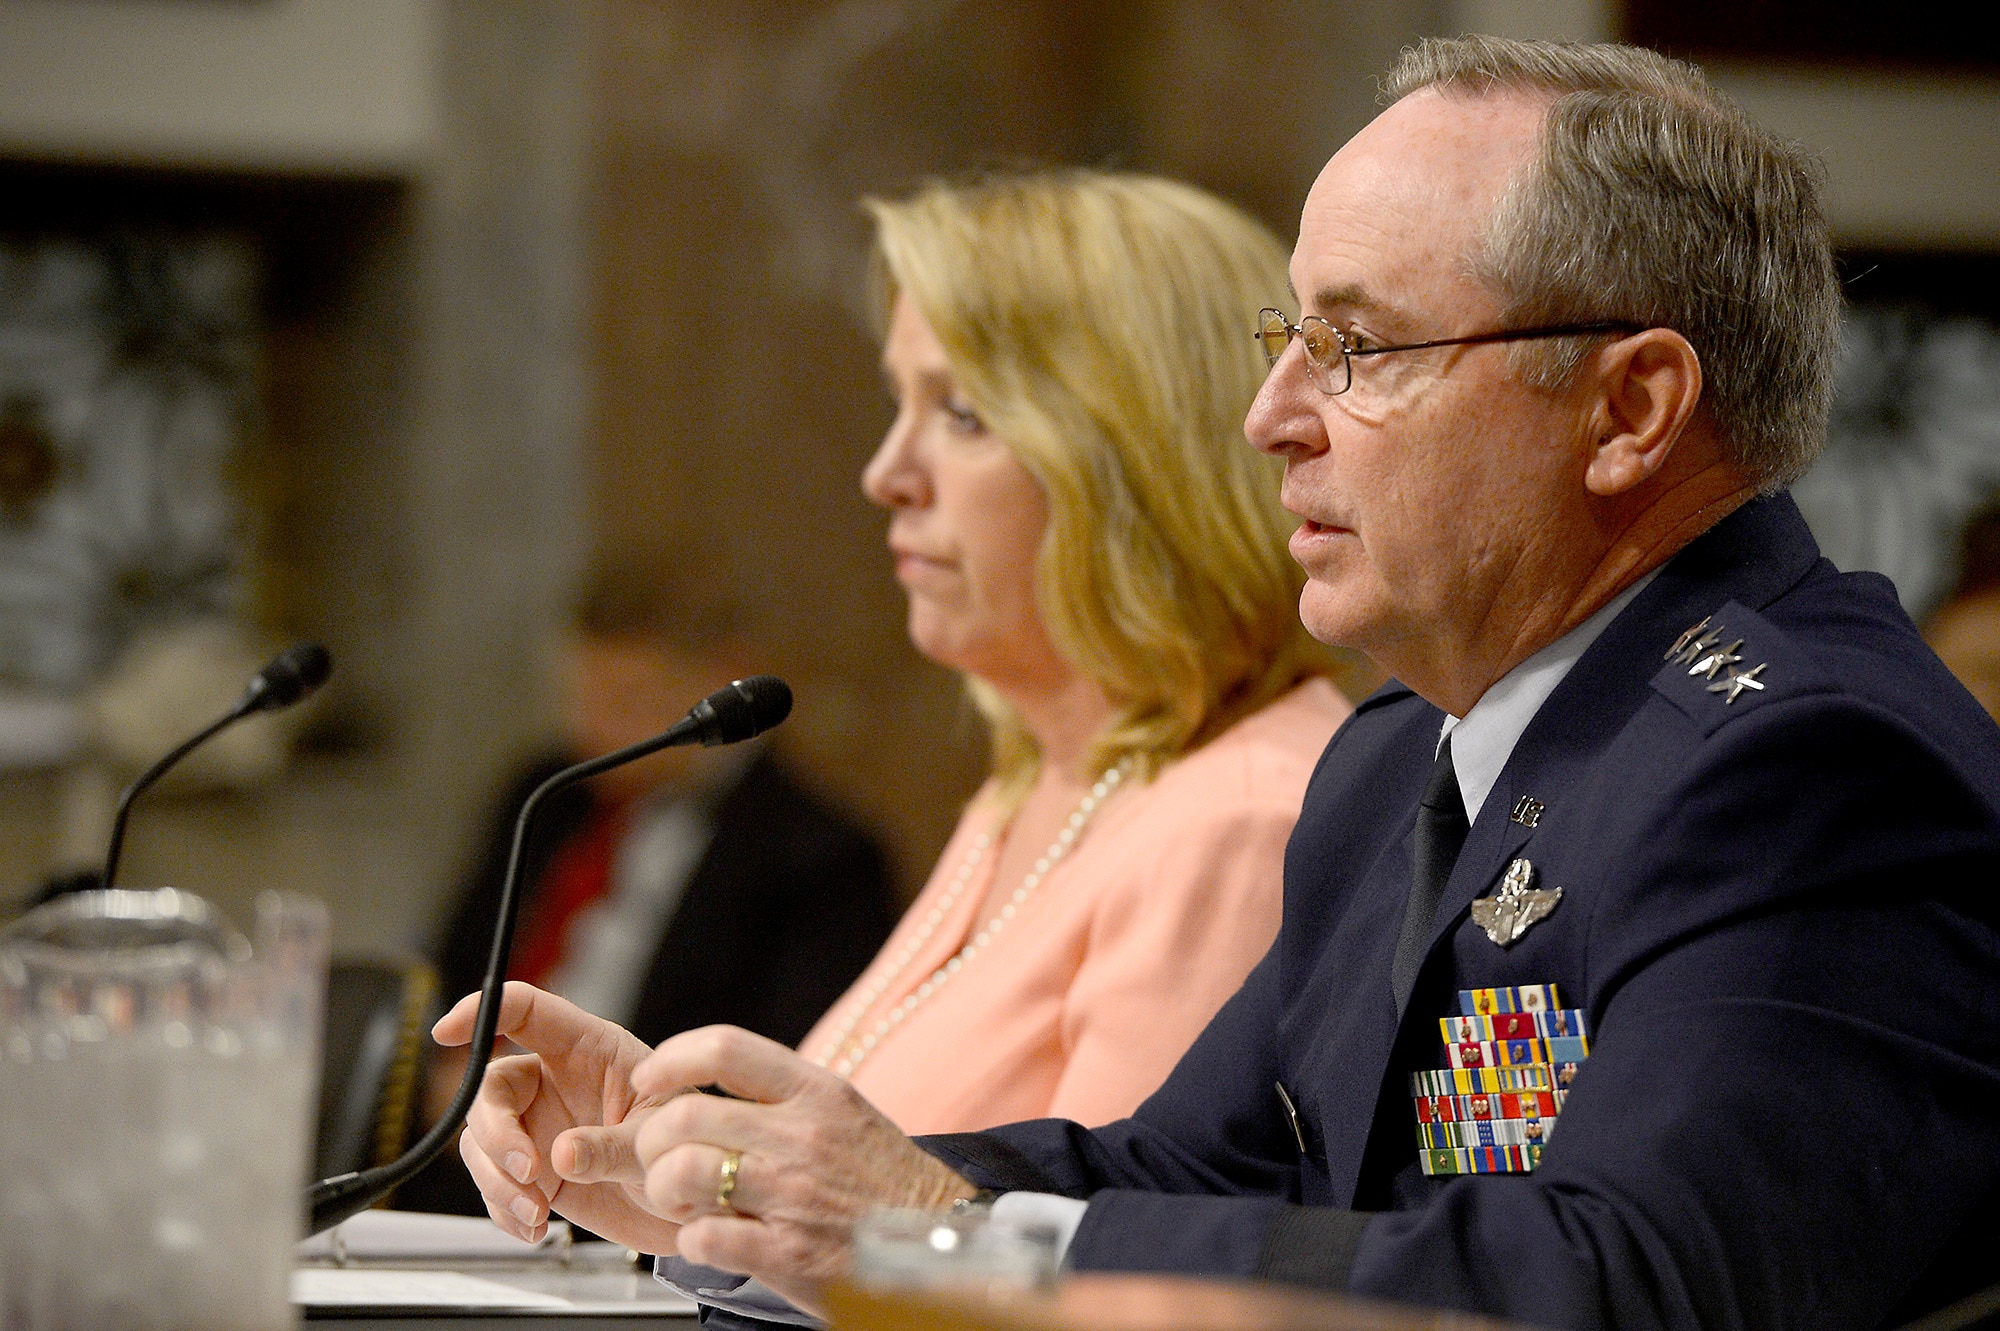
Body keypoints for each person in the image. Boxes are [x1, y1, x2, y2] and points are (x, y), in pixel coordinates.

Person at [449, 38, 2000, 1328]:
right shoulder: (1401, 754)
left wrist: (929, 1234)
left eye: (1362, 347)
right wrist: (735, 1174)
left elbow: (1629, 1285)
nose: (1271, 416)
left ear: (1631, 408)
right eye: (1288, 339)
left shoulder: (1806, 761)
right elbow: (1196, 1166)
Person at [443, 166, 1347, 1170]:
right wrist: (633, 1165)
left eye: (958, 414)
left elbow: (1093, 1276)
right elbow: (865, 1211)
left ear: (1132, 460)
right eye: (898, 403)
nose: (885, 474)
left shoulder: (1240, 820)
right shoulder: (1038, 785)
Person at [398, 573, 900, 1215]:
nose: (594, 730)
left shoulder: (821, 855)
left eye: (626, 698)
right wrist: (455, 1071)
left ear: (724, 680)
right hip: (471, 1154)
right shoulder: (547, 792)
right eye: (580, 697)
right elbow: (454, 962)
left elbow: (790, 1076)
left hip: (647, 1192)